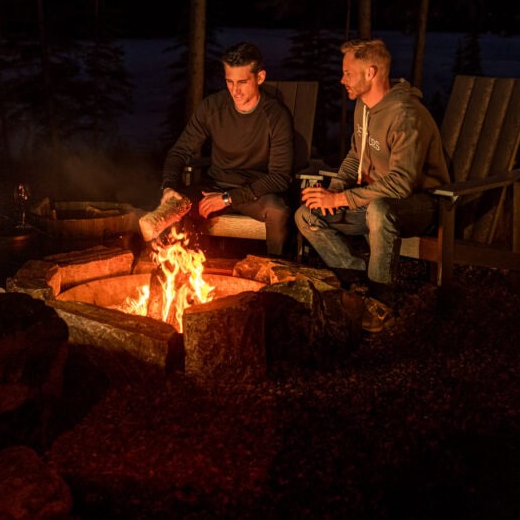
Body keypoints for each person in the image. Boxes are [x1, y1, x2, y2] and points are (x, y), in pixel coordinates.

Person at [295, 38, 451, 332]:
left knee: (379, 210)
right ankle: (358, 282)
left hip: (419, 205)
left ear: (371, 72)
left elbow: (401, 185)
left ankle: (380, 304)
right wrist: (335, 189)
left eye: (348, 73)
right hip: (373, 200)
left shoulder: (406, 115)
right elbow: (357, 153)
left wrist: (340, 200)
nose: (342, 80)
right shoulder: (364, 107)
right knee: (306, 214)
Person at [160, 42, 294, 257]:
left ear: (260, 78)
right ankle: (184, 276)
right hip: (213, 186)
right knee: (173, 208)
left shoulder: (276, 115)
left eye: (242, 82)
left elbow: (279, 177)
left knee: (278, 212)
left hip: (255, 193)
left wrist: (227, 198)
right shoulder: (212, 107)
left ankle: (276, 274)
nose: (235, 90)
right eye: (229, 82)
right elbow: (179, 151)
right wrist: (168, 187)